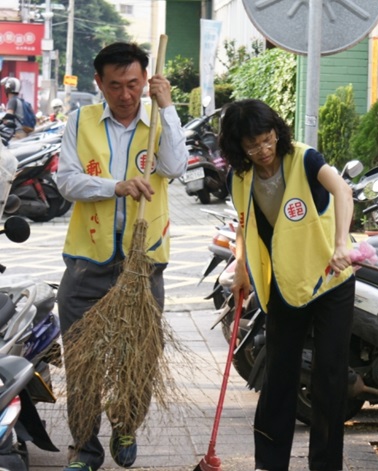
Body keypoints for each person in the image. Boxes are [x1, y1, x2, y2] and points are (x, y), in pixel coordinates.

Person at [55, 42, 188, 471]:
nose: (126, 95)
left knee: (140, 359)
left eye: (134, 84)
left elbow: (175, 167)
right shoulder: (81, 121)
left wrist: (166, 108)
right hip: (86, 262)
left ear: (145, 80)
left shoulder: (158, 120)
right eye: (116, 86)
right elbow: (68, 183)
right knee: (82, 363)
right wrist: (115, 185)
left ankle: (126, 422)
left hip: (143, 263)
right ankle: (84, 449)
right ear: (100, 84)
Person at [218, 99, 356, 471]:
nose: (263, 151)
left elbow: (343, 192)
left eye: (268, 139)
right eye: (252, 146)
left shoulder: (305, 159)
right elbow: (245, 225)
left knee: (329, 375)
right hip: (283, 282)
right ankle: (269, 462)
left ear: (277, 131)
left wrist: (343, 242)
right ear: (238, 148)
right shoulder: (239, 178)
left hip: (330, 281)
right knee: (278, 373)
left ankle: (326, 466)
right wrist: (242, 268)